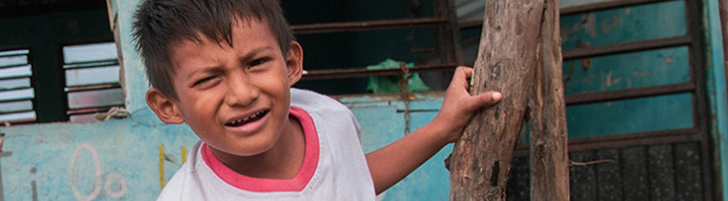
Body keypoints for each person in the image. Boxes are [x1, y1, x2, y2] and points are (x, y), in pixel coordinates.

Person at [132, 0, 505, 200]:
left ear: (291, 62)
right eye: (209, 80)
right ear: (170, 106)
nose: (243, 93)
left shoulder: (327, 116)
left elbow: (351, 180)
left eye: (257, 62)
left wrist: (443, 128)